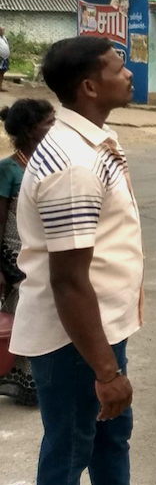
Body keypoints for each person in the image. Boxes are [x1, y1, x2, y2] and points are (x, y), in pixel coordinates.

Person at [9, 37, 156, 485]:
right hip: (73, 340)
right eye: (119, 67)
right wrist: (106, 371)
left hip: (100, 329)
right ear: (91, 86)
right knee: (67, 456)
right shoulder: (72, 163)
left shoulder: (89, 140)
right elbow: (68, 281)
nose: (130, 72)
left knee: (111, 437)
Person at [0, 99, 55, 406]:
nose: (54, 127)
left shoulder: (51, 162)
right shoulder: (8, 169)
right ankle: (26, 386)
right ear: (31, 130)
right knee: (23, 319)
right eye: (49, 123)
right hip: (15, 258)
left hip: (46, 254)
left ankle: (46, 383)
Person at [0, 26, 10, 92]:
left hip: (4, 58)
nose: (2, 32)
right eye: (1, 30)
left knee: (2, 72)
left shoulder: (4, 38)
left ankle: (0, 86)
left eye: (3, 30)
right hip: (0, 58)